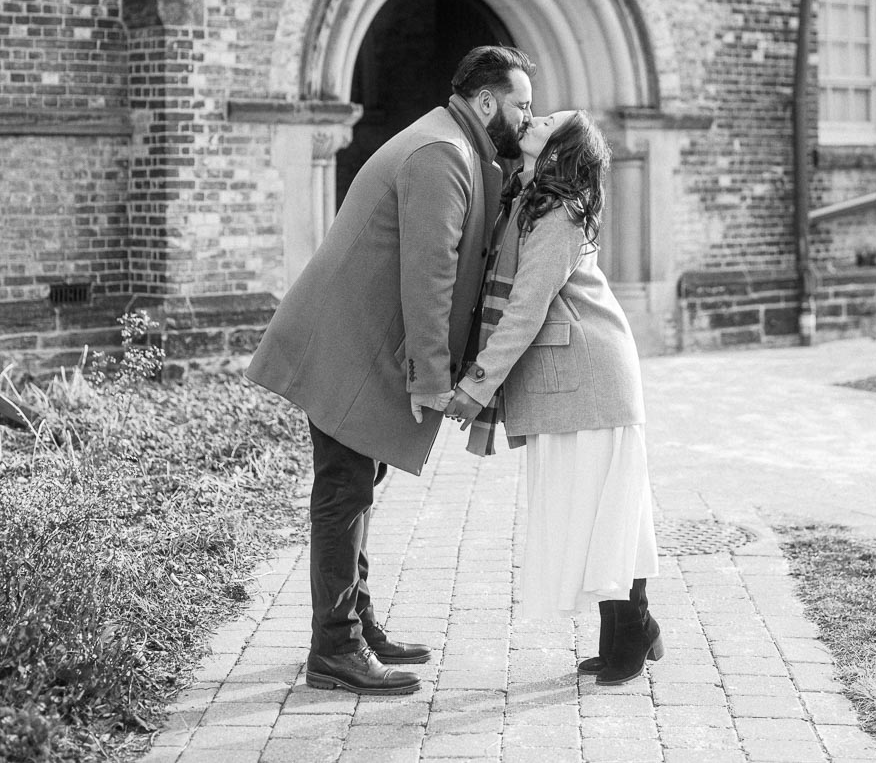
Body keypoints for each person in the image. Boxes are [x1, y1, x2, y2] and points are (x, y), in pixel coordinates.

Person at [245, 45, 535, 696]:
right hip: (352, 347)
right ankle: (335, 649)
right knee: (344, 493)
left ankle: (356, 625)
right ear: (485, 102)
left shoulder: (448, 141)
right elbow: (430, 274)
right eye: (520, 105)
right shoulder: (442, 153)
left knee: (357, 486)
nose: (526, 116)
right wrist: (431, 379)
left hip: (357, 342)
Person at [445, 108, 662, 685]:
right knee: (592, 510)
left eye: (546, 121)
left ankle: (631, 633)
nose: (533, 117)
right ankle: (628, 631)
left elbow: (526, 306)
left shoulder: (560, 214)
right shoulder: (530, 199)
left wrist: (477, 384)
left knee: (604, 510)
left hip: (588, 374)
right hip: (574, 375)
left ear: (561, 147)